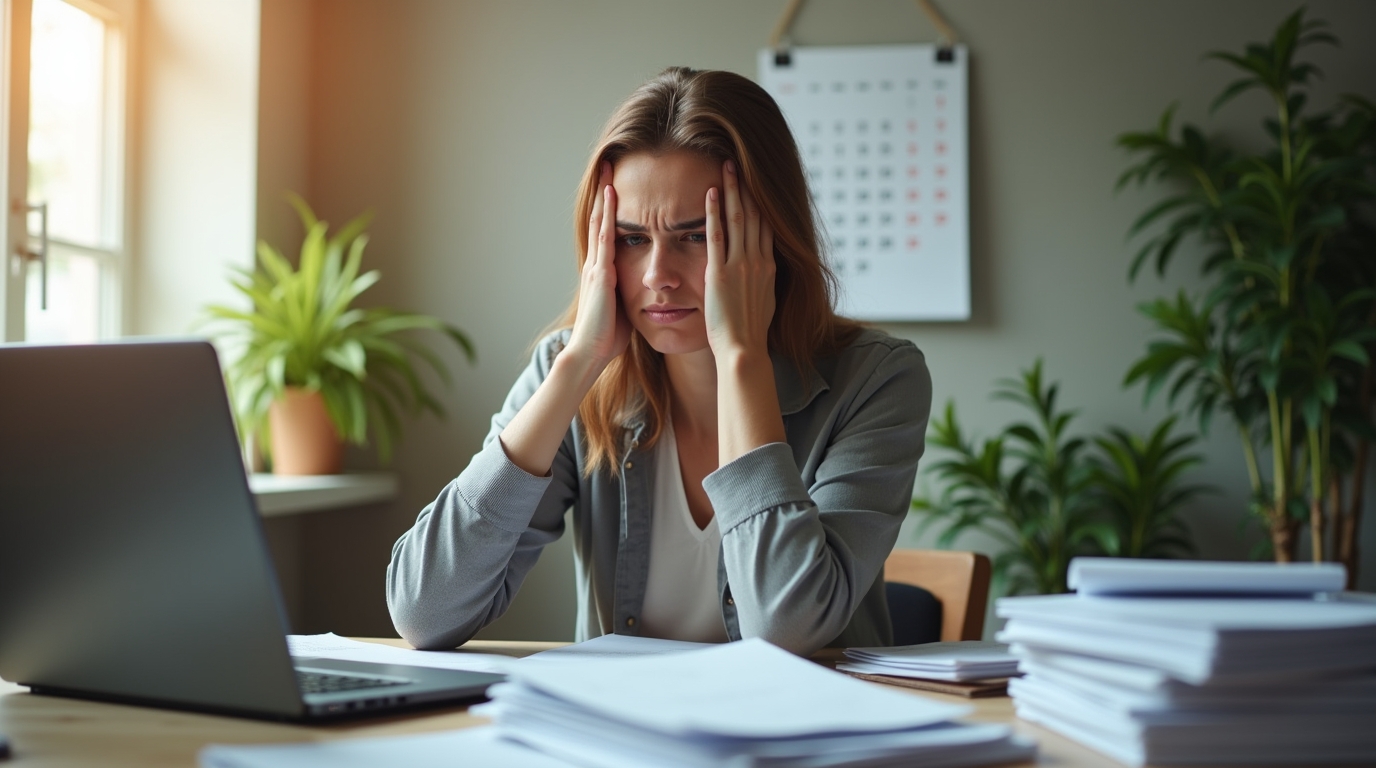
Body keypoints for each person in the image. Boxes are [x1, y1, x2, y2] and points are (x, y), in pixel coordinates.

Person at [386, 67, 931, 656]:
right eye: (630, 239)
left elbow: (788, 627)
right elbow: (423, 611)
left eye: (696, 236)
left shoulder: (877, 380)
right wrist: (576, 366)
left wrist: (740, 355)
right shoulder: (571, 374)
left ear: (767, 238)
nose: (657, 277)